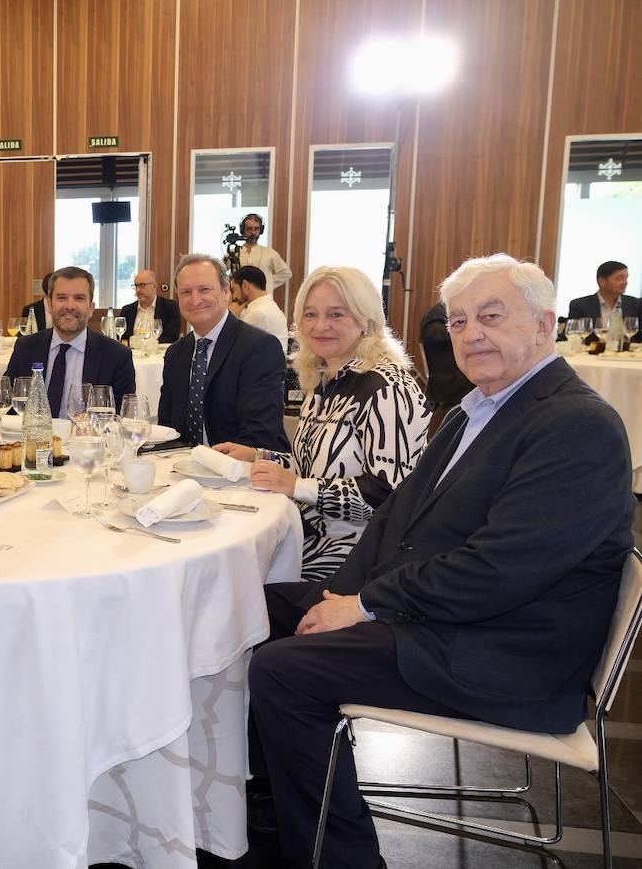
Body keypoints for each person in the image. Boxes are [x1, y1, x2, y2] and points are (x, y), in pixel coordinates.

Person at [248, 255, 634, 869]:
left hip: (506, 652)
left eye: (490, 316)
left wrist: (366, 605)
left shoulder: (578, 425)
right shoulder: (476, 410)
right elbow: (394, 518)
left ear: (544, 324)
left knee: (283, 671)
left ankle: (332, 855)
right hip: (449, 616)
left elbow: (500, 568)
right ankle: (273, 796)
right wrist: (338, 598)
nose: (471, 333)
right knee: (248, 607)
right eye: (457, 321)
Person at [214, 267, 429, 581]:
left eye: (337, 314)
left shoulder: (386, 389)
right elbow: (313, 466)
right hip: (310, 535)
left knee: (236, 584)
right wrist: (259, 456)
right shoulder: (325, 378)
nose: (320, 326)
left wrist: (294, 486)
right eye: (310, 314)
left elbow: (389, 496)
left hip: (359, 555)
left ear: (366, 320)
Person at [158, 254, 288, 450]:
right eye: (186, 292)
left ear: (226, 291)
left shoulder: (259, 347)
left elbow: (260, 432)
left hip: (244, 470)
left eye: (204, 290)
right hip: (185, 467)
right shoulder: (176, 353)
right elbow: (168, 426)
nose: (195, 299)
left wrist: (210, 463)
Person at [3, 266, 135, 417]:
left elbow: (123, 417)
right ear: (50, 305)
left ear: (91, 308)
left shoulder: (116, 356)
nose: (70, 306)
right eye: (61, 297)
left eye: (79, 298)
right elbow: (8, 403)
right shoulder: (26, 348)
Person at [419, 301, 473, 435]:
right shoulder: (436, 314)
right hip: (444, 376)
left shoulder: (448, 312)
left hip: (452, 372)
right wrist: (458, 330)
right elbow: (434, 334)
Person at [567, 260, 641, 344]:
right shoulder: (580, 305)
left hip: (627, 355)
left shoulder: (635, 304)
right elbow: (572, 336)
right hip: (592, 355)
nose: (625, 282)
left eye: (626, 278)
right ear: (602, 281)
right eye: (619, 278)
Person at [119, 268, 182, 345]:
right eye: (136, 286)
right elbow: (122, 338)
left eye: (142, 285)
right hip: (133, 354)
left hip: (159, 354)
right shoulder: (127, 310)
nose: (138, 290)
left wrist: (146, 344)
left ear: (154, 286)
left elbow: (172, 337)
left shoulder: (170, 307)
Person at [231, 264, 289, 346]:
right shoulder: (267, 305)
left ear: (245, 285)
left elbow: (235, 348)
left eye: (234, 290)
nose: (234, 297)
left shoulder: (258, 313)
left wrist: (231, 317)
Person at [236, 213, 291, 293]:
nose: (253, 232)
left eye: (256, 229)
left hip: (263, 300)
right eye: (249, 229)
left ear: (261, 230)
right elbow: (221, 272)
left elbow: (286, 273)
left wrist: (268, 283)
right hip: (240, 301)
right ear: (243, 230)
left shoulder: (269, 253)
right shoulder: (234, 252)